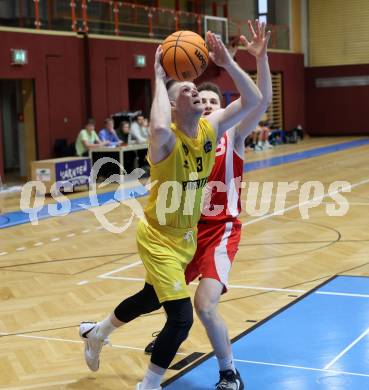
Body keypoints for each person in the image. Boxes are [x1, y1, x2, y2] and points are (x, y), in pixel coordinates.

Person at [79, 30, 262, 390]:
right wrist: (160, 79)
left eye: (195, 89)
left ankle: (97, 332)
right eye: (187, 92)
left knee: (150, 297)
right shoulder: (165, 142)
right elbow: (160, 123)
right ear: (173, 106)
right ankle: (147, 386)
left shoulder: (210, 129)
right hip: (159, 238)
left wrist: (229, 63)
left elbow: (254, 99)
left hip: (186, 237)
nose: (195, 92)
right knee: (180, 319)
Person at [144, 20, 272, 390]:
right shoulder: (184, 138)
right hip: (186, 229)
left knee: (205, 304)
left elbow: (259, 99)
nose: (208, 103)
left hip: (220, 228)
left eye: (215, 102)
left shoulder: (232, 133)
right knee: (156, 294)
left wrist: (249, 61)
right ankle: (109, 331)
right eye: (204, 98)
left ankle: (228, 371)